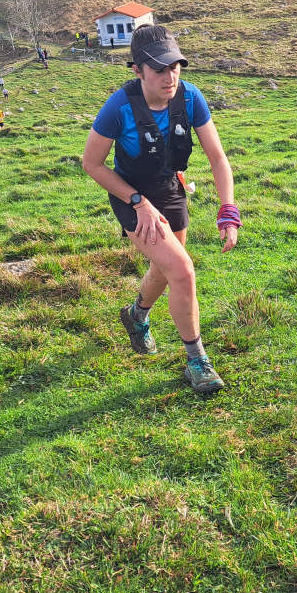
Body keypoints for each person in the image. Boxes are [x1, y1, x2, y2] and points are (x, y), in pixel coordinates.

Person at [81, 24, 240, 396]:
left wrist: (228, 210)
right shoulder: (119, 107)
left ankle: (136, 316)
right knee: (182, 269)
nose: (170, 77)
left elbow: (217, 157)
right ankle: (196, 360)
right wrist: (137, 202)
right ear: (137, 70)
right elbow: (92, 164)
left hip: (169, 186)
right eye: (159, 69)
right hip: (131, 193)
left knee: (167, 268)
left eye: (175, 67)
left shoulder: (190, 97)